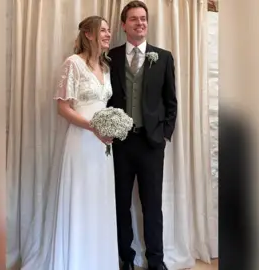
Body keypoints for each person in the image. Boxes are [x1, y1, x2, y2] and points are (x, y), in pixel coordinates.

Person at [107, 1, 177, 270]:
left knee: (152, 206)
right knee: (120, 204)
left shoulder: (164, 57)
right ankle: (125, 258)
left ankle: (156, 261)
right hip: (120, 143)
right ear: (124, 25)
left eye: (144, 18)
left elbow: (171, 101)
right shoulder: (110, 57)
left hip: (151, 143)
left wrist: (165, 133)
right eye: (134, 19)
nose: (140, 23)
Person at [50, 16, 119, 270]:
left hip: (103, 147)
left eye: (108, 30)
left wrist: (110, 128)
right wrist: (94, 128)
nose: (107, 34)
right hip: (81, 142)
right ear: (88, 34)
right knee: (81, 200)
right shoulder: (73, 64)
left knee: (99, 202)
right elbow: (63, 108)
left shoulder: (107, 67)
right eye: (102, 30)